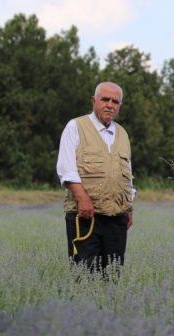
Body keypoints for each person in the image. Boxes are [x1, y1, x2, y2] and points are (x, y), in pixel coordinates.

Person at [56, 82, 135, 272]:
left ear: (119, 106)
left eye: (115, 101)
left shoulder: (122, 133)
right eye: (105, 99)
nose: (110, 104)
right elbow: (66, 169)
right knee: (84, 274)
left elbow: (127, 175)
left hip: (117, 218)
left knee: (113, 274)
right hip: (85, 215)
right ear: (94, 100)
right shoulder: (75, 126)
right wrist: (83, 199)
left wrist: (129, 207)